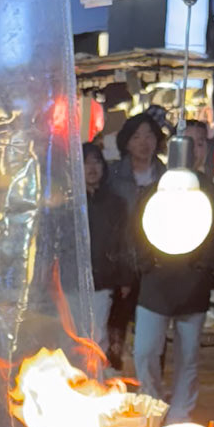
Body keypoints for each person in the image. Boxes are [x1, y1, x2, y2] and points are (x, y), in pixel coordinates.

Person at [132, 126, 214, 421]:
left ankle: (180, 412)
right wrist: (147, 263)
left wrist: (206, 268)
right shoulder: (155, 191)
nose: (193, 150)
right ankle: (151, 405)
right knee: (145, 351)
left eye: (199, 143)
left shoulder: (212, 195)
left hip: (194, 284)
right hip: (156, 283)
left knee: (187, 356)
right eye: (187, 143)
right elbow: (136, 230)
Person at [84, 140, 137, 366]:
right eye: (86, 162)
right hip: (72, 283)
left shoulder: (115, 203)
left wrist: (125, 277)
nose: (92, 167)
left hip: (103, 279)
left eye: (96, 161)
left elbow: (125, 241)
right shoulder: (68, 204)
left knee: (98, 335)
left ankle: (95, 377)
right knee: (75, 335)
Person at [107, 110, 164, 209]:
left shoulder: (165, 175)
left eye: (148, 136)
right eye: (136, 137)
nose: (143, 143)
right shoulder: (112, 174)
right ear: (126, 143)